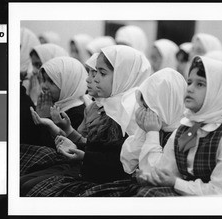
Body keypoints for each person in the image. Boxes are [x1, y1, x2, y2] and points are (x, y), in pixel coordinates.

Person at [21, 45, 152, 197]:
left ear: (123, 76)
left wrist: (83, 155)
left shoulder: (132, 112)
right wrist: (75, 141)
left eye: (101, 73)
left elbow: (120, 163)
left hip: (108, 182)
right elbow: (96, 147)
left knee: (33, 189)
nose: (94, 78)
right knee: (26, 182)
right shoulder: (108, 106)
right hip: (90, 172)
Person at [134, 56, 222, 197]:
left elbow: (218, 192)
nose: (190, 89)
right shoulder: (188, 130)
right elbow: (167, 170)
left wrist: (176, 182)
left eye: (200, 84)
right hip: (190, 195)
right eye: (189, 82)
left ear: (219, 92)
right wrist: (152, 177)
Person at [73, 67, 187, 197]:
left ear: (167, 105)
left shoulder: (180, 135)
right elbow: (128, 163)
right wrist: (142, 131)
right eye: (143, 106)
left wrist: (152, 134)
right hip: (138, 186)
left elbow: (155, 176)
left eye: (150, 107)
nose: (145, 113)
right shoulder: (155, 126)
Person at [20, 57, 88, 176]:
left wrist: (47, 119)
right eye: (44, 80)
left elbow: (58, 150)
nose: (44, 86)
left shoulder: (78, 112)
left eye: (51, 82)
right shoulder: (55, 105)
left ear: (68, 82)